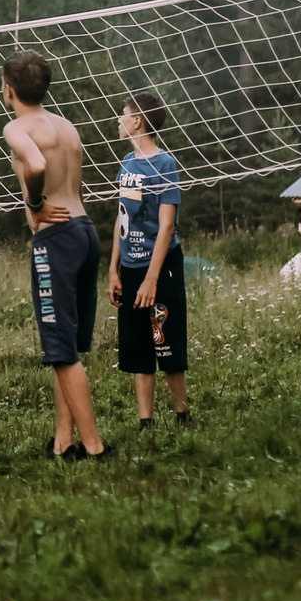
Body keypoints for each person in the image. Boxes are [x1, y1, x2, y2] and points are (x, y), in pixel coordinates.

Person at [2, 53, 108, 461]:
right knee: (67, 349)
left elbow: (36, 164)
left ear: (9, 90)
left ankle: (94, 448)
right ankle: (63, 442)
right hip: (84, 230)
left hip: (56, 237)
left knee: (61, 350)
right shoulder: (66, 125)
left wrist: (35, 203)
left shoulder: (16, 127)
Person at [105, 90, 189, 428]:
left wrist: (152, 279)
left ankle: (182, 415)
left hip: (161, 266)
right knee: (138, 346)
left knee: (166, 339)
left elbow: (167, 225)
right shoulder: (127, 163)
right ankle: (146, 422)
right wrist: (114, 269)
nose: (119, 119)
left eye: (123, 113)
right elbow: (122, 217)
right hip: (130, 266)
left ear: (137, 121)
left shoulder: (165, 164)